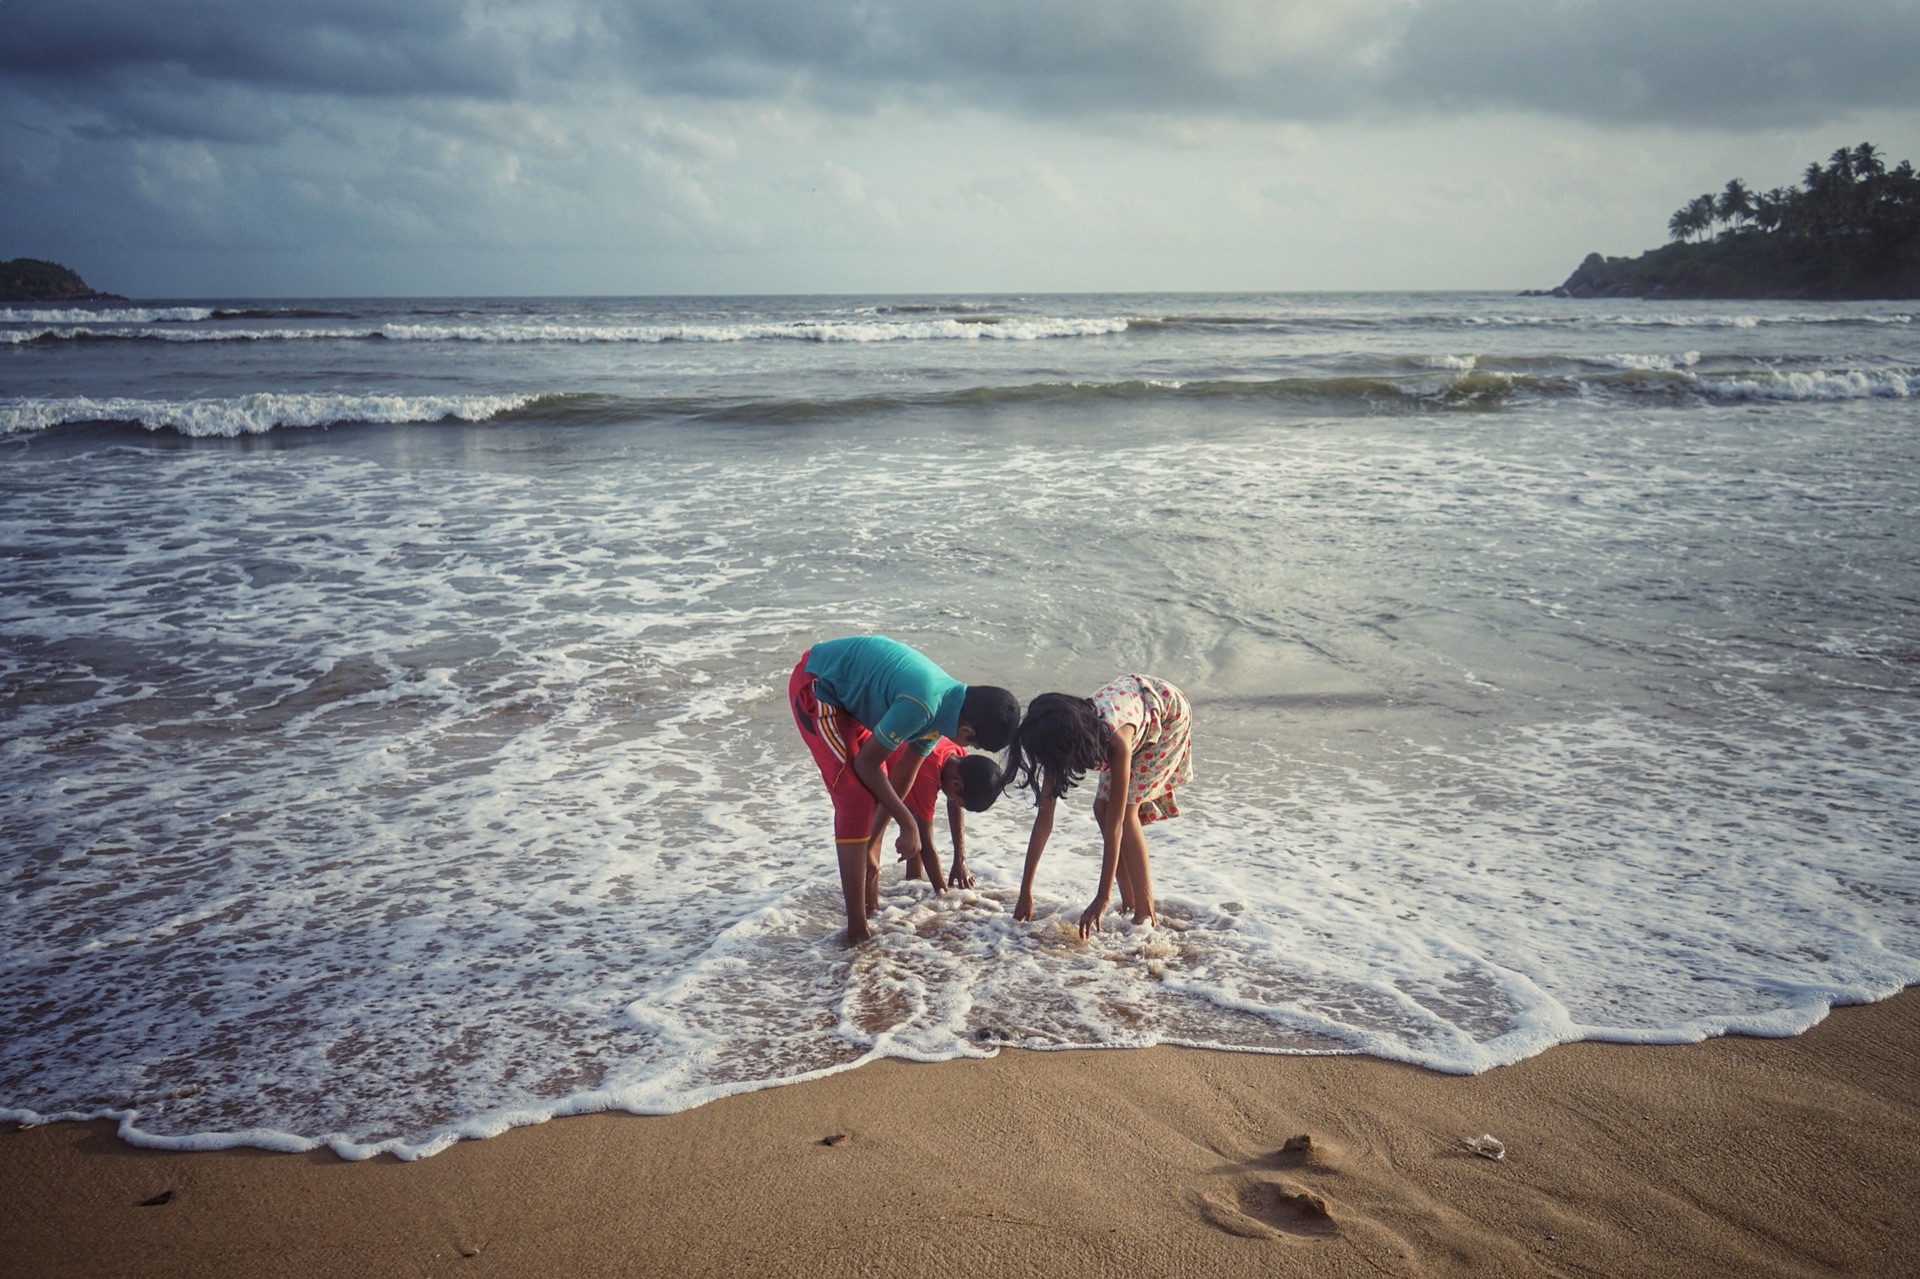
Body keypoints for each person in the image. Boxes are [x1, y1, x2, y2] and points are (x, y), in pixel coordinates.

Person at [789, 636, 1018, 943]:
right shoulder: (924, 704)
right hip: (817, 687)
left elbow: (901, 776)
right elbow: (865, 765)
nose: (967, 748)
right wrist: (906, 821)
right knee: (855, 795)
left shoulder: (943, 710)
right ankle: (856, 930)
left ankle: (867, 886)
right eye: (973, 744)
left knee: (875, 791)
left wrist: (873, 841)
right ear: (967, 731)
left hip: (847, 703)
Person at [1003, 676, 1193, 940]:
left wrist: (1102, 897)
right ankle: (1129, 904)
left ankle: (1146, 915)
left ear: (1066, 745)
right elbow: (1044, 819)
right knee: (1101, 809)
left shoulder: (1116, 743)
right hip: (1129, 708)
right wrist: (1025, 891)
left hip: (1167, 715)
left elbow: (1117, 825)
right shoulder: (1059, 741)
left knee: (1126, 814)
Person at [886, 736, 1004, 888]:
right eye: (960, 801)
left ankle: (912, 882)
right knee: (913, 833)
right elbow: (926, 845)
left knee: (914, 828)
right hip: (874, 770)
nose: (957, 803)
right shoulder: (926, 776)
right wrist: (942, 894)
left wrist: (960, 860)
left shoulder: (957, 754)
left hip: (899, 757)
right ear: (956, 784)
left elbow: (954, 804)